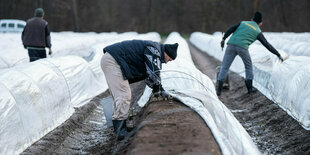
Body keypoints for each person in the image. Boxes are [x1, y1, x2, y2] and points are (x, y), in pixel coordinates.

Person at [101, 40, 178, 140]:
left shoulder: (155, 50)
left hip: (113, 59)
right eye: (169, 59)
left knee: (121, 94)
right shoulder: (154, 50)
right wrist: (159, 88)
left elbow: (148, 74)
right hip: (113, 61)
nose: (167, 62)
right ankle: (120, 129)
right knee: (124, 94)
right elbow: (154, 71)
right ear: (165, 53)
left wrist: (158, 88)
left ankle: (121, 125)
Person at [217, 11, 283, 96]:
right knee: (248, 66)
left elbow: (231, 29)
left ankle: (219, 91)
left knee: (225, 67)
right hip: (242, 48)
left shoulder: (243, 23)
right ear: (260, 24)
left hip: (231, 45)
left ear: (251, 19)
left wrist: (224, 38)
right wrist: (278, 54)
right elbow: (267, 45)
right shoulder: (258, 31)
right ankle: (249, 89)